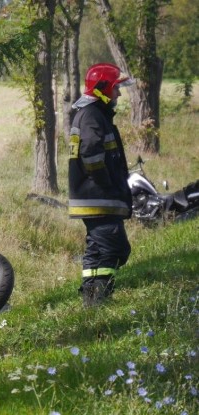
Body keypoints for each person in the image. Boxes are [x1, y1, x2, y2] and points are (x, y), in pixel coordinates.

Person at [68, 62, 135, 307]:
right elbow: (92, 155)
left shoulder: (94, 114)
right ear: (103, 89)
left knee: (98, 248)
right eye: (116, 88)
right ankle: (98, 297)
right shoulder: (92, 115)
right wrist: (107, 184)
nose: (118, 93)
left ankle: (91, 296)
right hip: (98, 197)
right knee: (115, 248)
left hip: (96, 197)